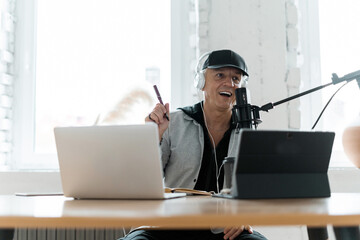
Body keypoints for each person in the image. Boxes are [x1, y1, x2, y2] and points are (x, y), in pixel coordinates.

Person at [119, 49, 267, 240]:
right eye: (220, 75)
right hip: (168, 225)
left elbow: (253, 190)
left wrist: (243, 216)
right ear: (201, 82)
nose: (229, 84)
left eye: (236, 79)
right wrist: (153, 137)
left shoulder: (248, 131)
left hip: (224, 230)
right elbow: (144, 180)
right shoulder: (173, 123)